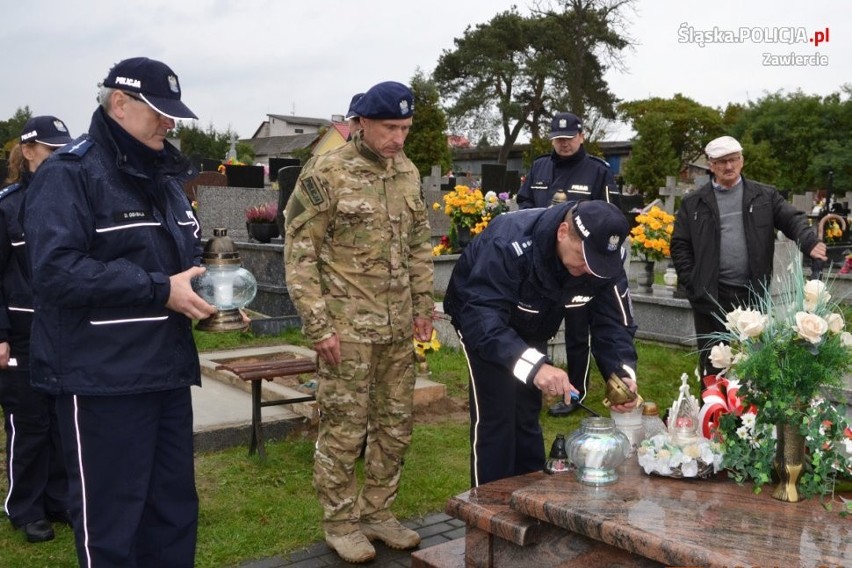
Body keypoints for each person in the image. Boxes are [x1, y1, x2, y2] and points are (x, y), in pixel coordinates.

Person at [23, 57, 217, 566]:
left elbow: (181, 262)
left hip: (167, 373)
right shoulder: (71, 174)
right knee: (111, 521)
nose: (170, 122)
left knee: (172, 514)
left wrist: (207, 296)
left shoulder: (166, 178)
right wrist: (159, 290)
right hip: (102, 380)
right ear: (119, 104)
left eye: (173, 113)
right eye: (159, 111)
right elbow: (55, 271)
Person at [284, 80, 434, 564]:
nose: (399, 138)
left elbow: (417, 247)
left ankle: (378, 512)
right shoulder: (327, 172)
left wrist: (423, 308)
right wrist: (319, 326)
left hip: (395, 329)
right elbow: (300, 255)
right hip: (346, 330)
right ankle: (341, 522)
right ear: (361, 123)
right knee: (345, 429)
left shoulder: (406, 172)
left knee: (395, 427)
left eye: (406, 128)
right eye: (390, 127)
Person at [443, 200, 640, 487]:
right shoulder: (507, 243)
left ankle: (531, 498)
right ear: (563, 232)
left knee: (526, 414)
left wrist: (622, 373)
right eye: (583, 258)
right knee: (498, 417)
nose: (589, 270)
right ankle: (490, 512)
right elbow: (483, 319)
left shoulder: (602, 260)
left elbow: (613, 323)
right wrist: (536, 366)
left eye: (597, 263)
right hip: (483, 320)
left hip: (535, 320)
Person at [671, 135, 827, 378]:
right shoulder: (694, 202)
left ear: (742, 161)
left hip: (752, 295)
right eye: (721, 162)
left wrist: (808, 241)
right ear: (711, 165)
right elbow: (680, 245)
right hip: (710, 297)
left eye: (733, 160)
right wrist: (694, 282)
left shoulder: (764, 196)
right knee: (713, 366)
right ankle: (713, 415)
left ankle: (747, 416)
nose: (729, 167)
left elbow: (791, 219)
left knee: (754, 366)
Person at [516, 112, 622, 417]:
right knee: (534, 326)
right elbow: (524, 204)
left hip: (579, 264)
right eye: (558, 139)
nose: (563, 144)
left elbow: (610, 216)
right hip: (542, 263)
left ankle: (574, 392)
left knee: (577, 331)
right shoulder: (540, 166)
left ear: (581, 136)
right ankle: (534, 384)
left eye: (569, 138)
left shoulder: (597, 171)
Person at [0, 116, 73, 544]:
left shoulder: (68, 203)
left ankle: (58, 498)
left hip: (62, 331)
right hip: (22, 333)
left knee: (61, 420)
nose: (59, 159)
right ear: (28, 152)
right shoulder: (6, 207)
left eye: (64, 151)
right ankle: (25, 507)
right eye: (51, 151)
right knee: (29, 423)